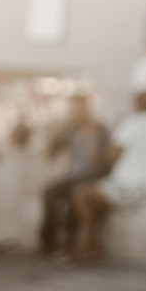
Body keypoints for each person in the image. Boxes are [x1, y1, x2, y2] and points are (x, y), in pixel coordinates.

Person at [71, 91, 146, 262]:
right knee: (99, 194)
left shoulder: (130, 123)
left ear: (135, 105)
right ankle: (93, 243)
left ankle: (91, 244)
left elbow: (112, 158)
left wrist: (98, 158)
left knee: (83, 194)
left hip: (131, 185)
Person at [39, 90, 113, 256]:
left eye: (81, 109)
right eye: (74, 110)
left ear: (88, 109)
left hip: (96, 174)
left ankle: (71, 241)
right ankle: (47, 242)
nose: (77, 113)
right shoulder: (70, 131)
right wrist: (57, 130)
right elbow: (49, 155)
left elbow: (110, 161)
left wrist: (99, 158)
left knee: (75, 192)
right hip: (74, 175)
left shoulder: (102, 130)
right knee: (49, 191)